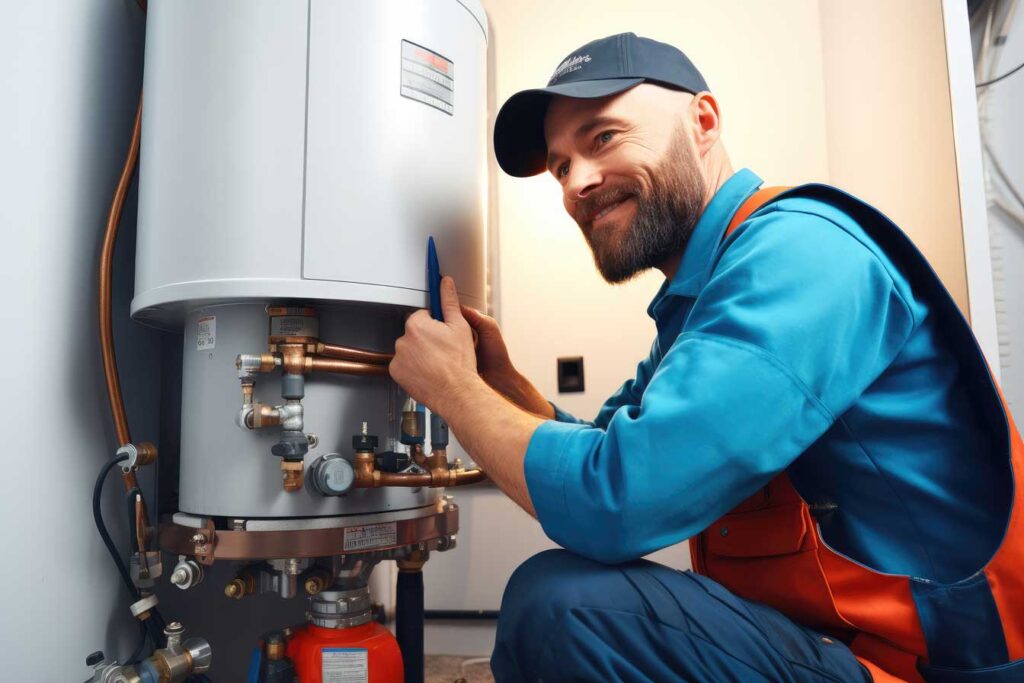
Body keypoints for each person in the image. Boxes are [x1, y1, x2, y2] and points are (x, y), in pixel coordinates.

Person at [388, 33, 1024, 682]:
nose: (577, 180)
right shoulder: (702, 301)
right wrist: (499, 383)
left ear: (703, 122)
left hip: (928, 667)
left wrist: (456, 393)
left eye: (603, 137)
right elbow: (611, 445)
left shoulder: (796, 254)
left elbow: (615, 498)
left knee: (563, 608)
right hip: (831, 646)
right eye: (559, 166)